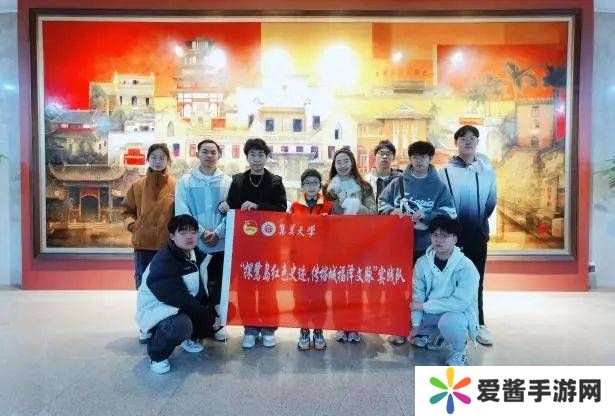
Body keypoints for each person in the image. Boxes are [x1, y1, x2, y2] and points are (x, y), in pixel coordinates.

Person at [379, 141, 457, 345]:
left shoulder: (439, 186)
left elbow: (450, 212)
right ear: (410, 159)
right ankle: (398, 327)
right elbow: (382, 203)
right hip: (399, 247)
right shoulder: (398, 183)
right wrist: (392, 211)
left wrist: (428, 215)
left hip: (427, 248)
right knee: (399, 287)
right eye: (415, 156)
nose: (419, 161)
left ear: (430, 159)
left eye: (423, 156)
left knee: (426, 288)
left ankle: (423, 330)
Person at [219, 138, 287, 349]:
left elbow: (281, 209)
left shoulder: (275, 181)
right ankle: (249, 327)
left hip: (268, 244)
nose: (257, 159)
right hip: (244, 244)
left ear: (266, 157)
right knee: (245, 287)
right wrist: (223, 206)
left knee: (268, 286)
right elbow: (231, 206)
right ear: (247, 157)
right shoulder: (238, 180)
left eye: (261, 155)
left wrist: (258, 206)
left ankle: (268, 328)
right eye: (252, 155)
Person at [136, 214, 221, 374]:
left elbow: (204, 288)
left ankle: (191, 338)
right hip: (159, 310)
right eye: (183, 232)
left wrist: (215, 307)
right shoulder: (164, 260)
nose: (189, 236)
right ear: (172, 236)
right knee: (180, 326)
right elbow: (179, 298)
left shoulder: (195, 255)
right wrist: (207, 316)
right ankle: (157, 354)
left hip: (179, 307)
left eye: (193, 232)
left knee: (221, 311)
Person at [439, 125, 497, 346]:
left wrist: (476, 220)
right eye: (463, 138)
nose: (468, 141)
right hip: (451, 238)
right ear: (456, 143)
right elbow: (441, 203)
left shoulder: (487, 171)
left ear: (477, 143)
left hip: (477, 235)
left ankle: (478, 323)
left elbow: (490, 203)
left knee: (476, 280)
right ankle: (446, 326)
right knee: (447, 281)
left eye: (473, 138)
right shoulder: (444, 172)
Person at [175, 138, 231, 342]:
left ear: (219, 155)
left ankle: (219, 325)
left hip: (221, 243)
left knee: (220, 286)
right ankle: (198, 329)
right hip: (195, 244)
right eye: (205, 151)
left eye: (213, 152)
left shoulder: (227, 182)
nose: (209, 155)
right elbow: (182, 211)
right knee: (196, 287)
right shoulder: (185, 182)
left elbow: (232, 211)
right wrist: (201, 233)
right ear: (197, 153)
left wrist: (218, 232)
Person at [120, 143, 176, 343]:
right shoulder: (137, 186)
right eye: (154, 157)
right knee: (144, 287)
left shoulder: (176, 185)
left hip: (167, 246)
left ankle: (162, 324)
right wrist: (133, 226)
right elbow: (126, 211)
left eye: (162, 158)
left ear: (168, 160)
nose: (158, 161)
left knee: (166, 286)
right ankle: (145, 326)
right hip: (143, 245)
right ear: (148, 159)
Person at [323, 148, 377, 343]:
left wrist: (355, 205)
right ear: (334, 165)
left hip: (358, 243)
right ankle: (340, 325)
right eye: (338, 162)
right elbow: (324, 212)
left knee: (355, 286)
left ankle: (354, 326)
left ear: (352, 163)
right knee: (338, 286)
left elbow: (373, 212)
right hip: (336, 243)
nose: (342, 165)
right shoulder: (328, 188)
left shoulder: (364, 186)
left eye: (346, 161)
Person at [410, 215, 479, 366]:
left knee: (450, 322)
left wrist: (423, 306)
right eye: (435, 235)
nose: (438, 240)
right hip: (430, 311)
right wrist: (415, 325)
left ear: (455, 239)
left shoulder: (466, 267)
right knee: (405, 309)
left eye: (444, 236)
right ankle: (430, 333)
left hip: (456, 314)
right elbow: (417, 295)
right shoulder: (422, 263)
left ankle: (459, 351)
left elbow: (459, 304)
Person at [290, 168, 333, 351]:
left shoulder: (328, 206)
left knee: (319, 298)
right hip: (300, 260)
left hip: (321, 261)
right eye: (307, 183)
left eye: (315, 182)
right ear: (302, 186)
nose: (311, 186)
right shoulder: (294, 206)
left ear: (320, 185)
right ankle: (304, 331)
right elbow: (289, 231)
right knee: (301, 298)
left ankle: (318, 331)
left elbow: (335, 232)